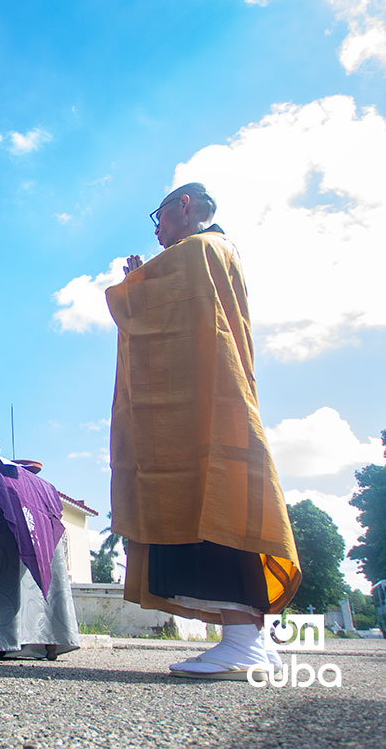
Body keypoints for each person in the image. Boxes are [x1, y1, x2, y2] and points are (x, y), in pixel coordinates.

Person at [106, 183, 301, 681]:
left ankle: (242, 641)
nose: (157, 230)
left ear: (184, 206)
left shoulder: (199, 249)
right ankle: (248, 639)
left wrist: (136, 287)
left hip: (198, 409)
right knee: (219, 503)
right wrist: (143, 284)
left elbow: (164, 312)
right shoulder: (220, 251)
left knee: (214, 507)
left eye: (160, 217)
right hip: (211, 400)